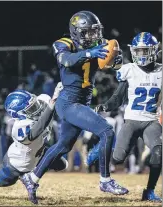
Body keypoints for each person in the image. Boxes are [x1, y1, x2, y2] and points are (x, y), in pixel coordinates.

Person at [20, 11, 128, 204]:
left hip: (83, 100)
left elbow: (111, 66)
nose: (94, 37)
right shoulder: (63, 43)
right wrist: (89, 53)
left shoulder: (96, 44)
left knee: (63, 146)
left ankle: (32, 178)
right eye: (88, 32)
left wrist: (116, 62)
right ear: (77, 32)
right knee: (107, 131)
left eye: (95, 32)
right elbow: (66, 60)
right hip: (69, 101)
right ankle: (105, 180)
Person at [87, 32, 162, 202]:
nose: (141, 55)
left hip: (151, 120)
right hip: (131, 120)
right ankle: (100, 149)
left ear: (153, 51)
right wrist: (104, 106)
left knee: (158, 151)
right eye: (138, 51)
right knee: (118, 159)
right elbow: (118, 97)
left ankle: (149, 191)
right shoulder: (129, 70)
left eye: (144, 51)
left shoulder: (160, 71)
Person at [0, 83, 68, 202]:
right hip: (20, 163)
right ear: (18, 115)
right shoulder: (20, 127)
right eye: (31, 108)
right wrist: (53, 101)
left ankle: (31, 173)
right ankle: (23, 176)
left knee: (62, 164)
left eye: (35, 104)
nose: (37, 108)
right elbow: (39, 127)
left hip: (39, 152)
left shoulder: (42, 101)